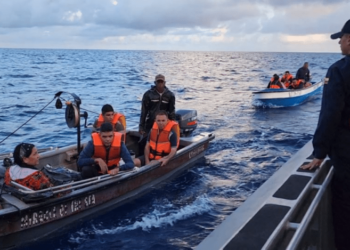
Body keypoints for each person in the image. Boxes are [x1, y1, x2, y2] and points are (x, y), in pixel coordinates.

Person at [301, 19, 350, 250]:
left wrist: (319, 152)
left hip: (347, 156)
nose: (339, 43)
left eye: (340, 38)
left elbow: (330, 114)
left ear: (349, 39)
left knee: (345, 213)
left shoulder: (340, 70)